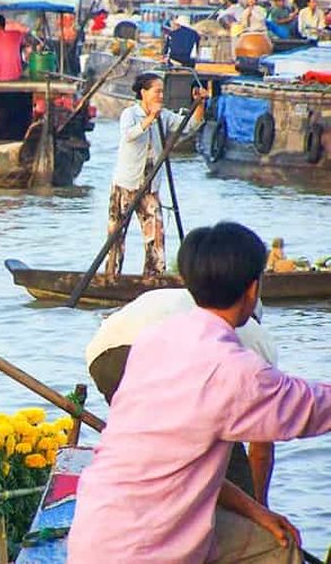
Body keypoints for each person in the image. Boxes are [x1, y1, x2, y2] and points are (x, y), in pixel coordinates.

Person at [69, 221, 331, 564]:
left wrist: (257, 511)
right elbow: (312, 408)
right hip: (144, 549)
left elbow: (182, 463)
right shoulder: (235, 369)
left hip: (94, 529)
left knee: (273, 543)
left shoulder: (157, 338)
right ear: (253, 289)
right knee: (282, 552)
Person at [86, 288, 277, 505]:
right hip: (154, 354)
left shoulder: (185, 300)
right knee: (228, 469)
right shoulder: (256, 338)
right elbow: (261, 448)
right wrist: (259, 506)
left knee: (157, 451)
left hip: (103, 357)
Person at [104, 73, 206, 278]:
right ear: (144, 93)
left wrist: (200, 104)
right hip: (125, 185)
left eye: (162, 91)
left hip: (150, 188)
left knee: (156, 236)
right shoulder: (130, 114)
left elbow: (190, 125)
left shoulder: (164, 116)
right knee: (116, 236)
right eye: (157, 91)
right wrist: (150, 118)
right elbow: (129, 135)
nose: (161, 95)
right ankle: (111, 277)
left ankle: (154, 277)